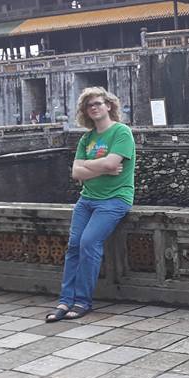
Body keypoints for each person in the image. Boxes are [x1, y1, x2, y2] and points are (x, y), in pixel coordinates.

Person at [46, 87, 135, 322]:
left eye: (97, 103)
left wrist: (88, 166)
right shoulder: (87, 138)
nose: (94, 107)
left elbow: (112, 164)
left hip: (115, 199)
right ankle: (65, 300)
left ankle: (83, 301)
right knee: (74, 246)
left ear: (109, 105)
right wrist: (99, 165)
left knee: (88, 243)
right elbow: (77, 172)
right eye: (89, 105)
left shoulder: (121, 133)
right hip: (87, 200)